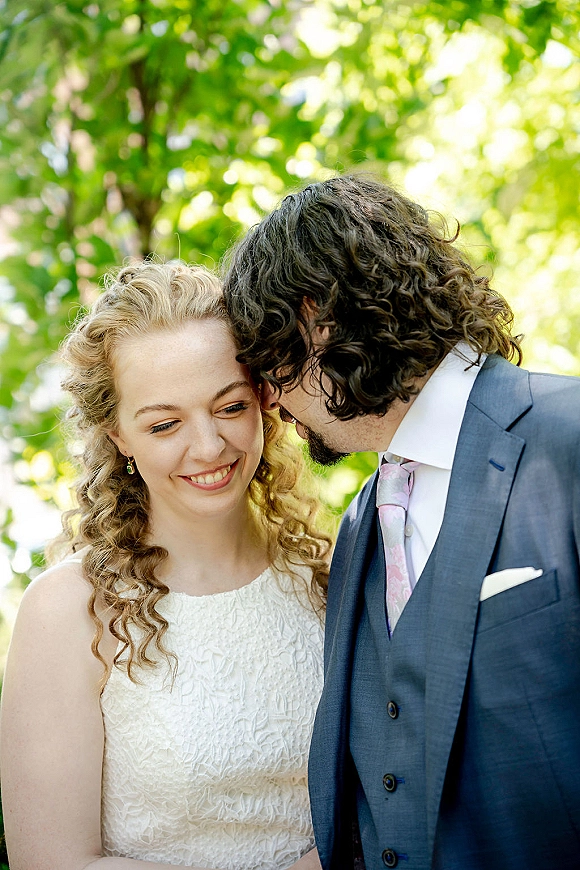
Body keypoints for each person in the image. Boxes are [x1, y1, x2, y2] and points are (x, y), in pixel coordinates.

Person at [222, 174, 580, 870]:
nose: (266, 398)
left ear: (318, 315)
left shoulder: (568, 439)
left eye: (268, 359)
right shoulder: (360, 528)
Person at [0, 260, 331, 870]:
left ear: (262, 396)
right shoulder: (69, 612)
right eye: (165, 423)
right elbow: (50, 861)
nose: (207, 447)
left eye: (229, 407)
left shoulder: (329, 575)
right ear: (118, 434)